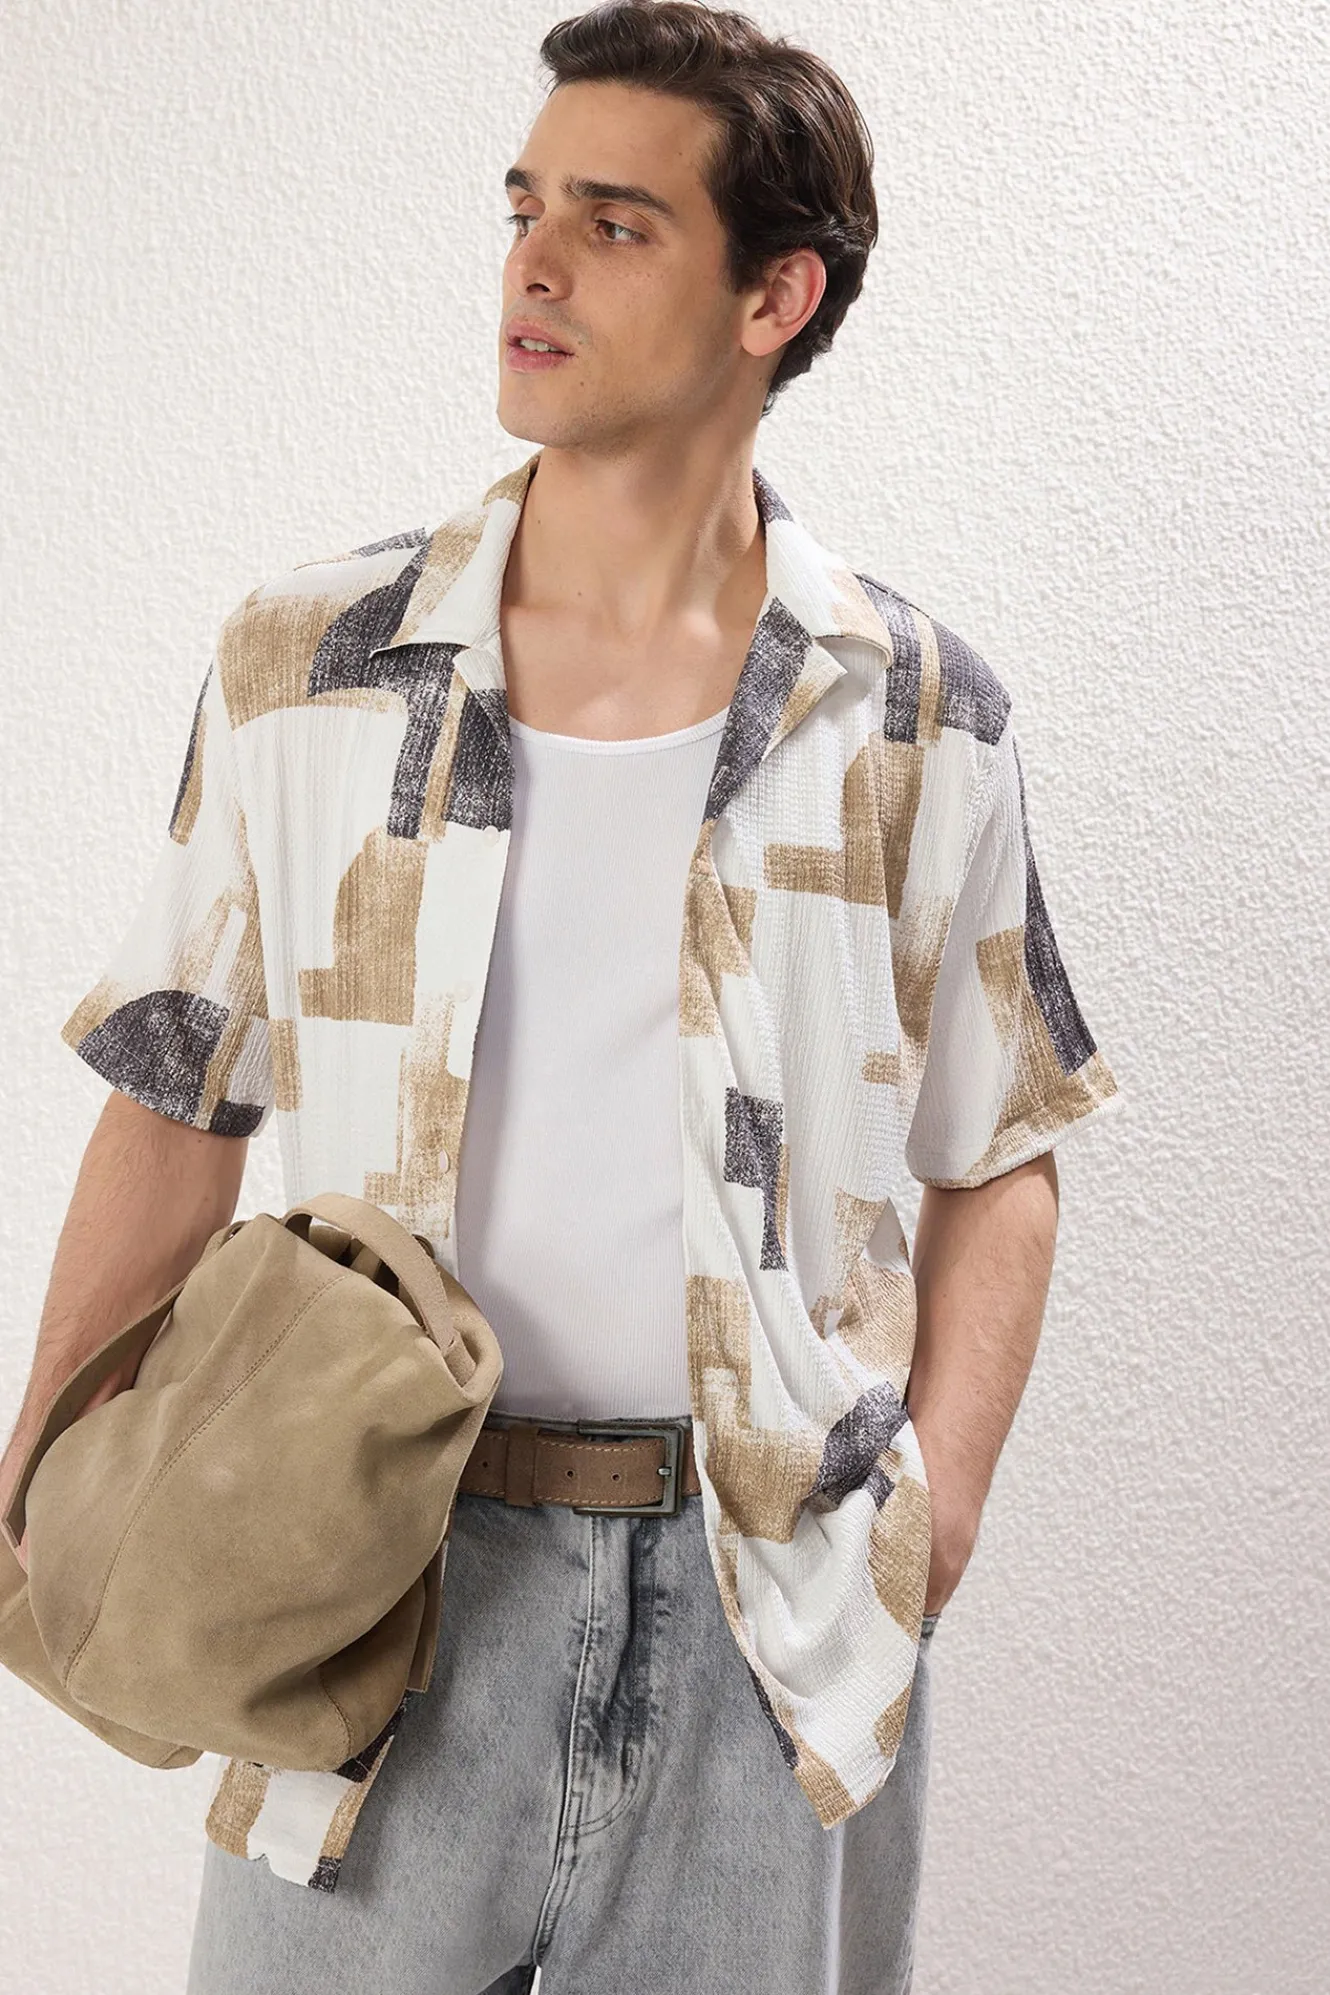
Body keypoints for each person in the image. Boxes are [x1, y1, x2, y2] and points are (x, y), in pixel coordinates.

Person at [0, 4, 1122, 1990]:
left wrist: (926, 1523)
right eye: (523, 208)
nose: (530, 265)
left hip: (765, 1613)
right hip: (359, 1579)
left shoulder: (913, 711)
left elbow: (1001, 1144)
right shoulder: (310, 665)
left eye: (613, 224)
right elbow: (178, 1094)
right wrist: (41, 1479)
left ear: (774, 295)